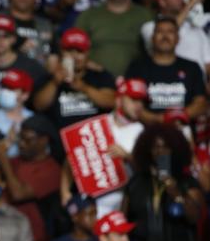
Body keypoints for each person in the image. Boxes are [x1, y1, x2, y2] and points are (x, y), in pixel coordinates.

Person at [123, 123, 205, 241]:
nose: (160, 152)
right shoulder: (136, 183)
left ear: (175, 149)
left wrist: (175, 191)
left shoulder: (187, 182)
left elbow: (195, 217)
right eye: (155, 148)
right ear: (147, 151)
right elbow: (124, 220)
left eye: (165, 147)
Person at [60, 78, 146, 218]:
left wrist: (127, 156)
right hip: (88, 204)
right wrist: (65, 192)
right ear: (119, 99)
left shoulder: (143, 132)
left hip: (119, 205)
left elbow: (147, 172)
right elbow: (71, 158)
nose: (138, 105)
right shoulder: (98, 124)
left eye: (142, 101)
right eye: (133, 99)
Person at [0, 114, 61, 241]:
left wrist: (3, 159)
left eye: (28, 140)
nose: (21, 143)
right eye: (20, 138)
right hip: (3, 239)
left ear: (44, 140)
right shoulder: (14, 162)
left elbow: (18, 194)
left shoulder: (52, 170)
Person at [125, 17, 207, 125]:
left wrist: (177, 117)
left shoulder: (192, 67)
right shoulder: (137, 67)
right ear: (152, 38)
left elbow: (201, 104)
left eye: (170, 32)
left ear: (178, 39)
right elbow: (129, 102)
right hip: (146, 130)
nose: (165, 36)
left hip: (183, 129)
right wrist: (157, 120)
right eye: (160, 31)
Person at [74, 0, 153, 77]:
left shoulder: (144, 15)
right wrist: (86, 64)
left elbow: (156, 47)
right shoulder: (89, 16)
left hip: (134, 79)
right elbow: (74, 48)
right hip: (95, 78)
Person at [140, 0, 210, 89]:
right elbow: (170, 29)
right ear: (162, 1)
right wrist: (191, 4)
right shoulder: (150, 27)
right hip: (167, 92)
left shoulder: (196, 29)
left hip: (198, 93)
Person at [33, 28, 116, 129]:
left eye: (80, 51)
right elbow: (38, 106)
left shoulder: (100, 75)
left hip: (92, 139)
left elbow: (110, 102)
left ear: (87, 53)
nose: (75, 56)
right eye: (69, 51)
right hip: (59, 139)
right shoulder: (50, 77)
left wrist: (84, 88)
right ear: (61, 51)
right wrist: (54, 83)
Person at [0, 15, 47, 109]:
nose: (0, 41)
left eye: (5, 36)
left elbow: (40, 102)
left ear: (13, 39)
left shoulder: (30, 66)